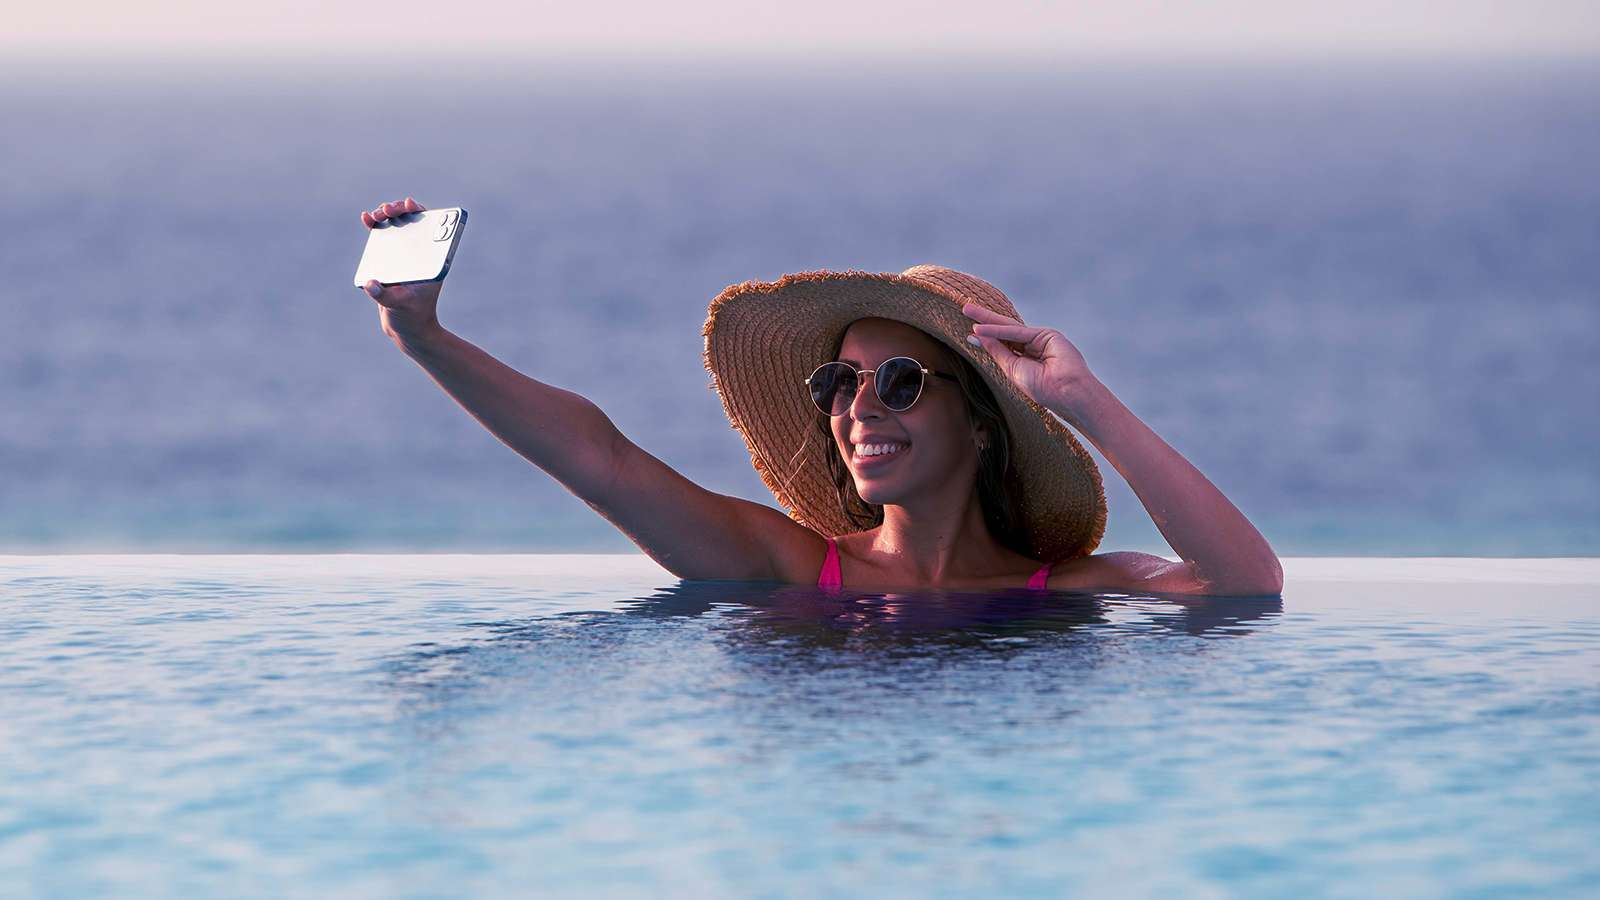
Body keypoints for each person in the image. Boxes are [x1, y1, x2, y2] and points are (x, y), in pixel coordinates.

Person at [359, 197, 1283, 595]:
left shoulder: (1073, 589)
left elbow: (1245, 585)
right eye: (838, 383)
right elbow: (602, 458)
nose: (858, 408)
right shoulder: (790, 567)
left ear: (984, 422)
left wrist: (1081, 399)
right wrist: (424, 337)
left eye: (901, 383)